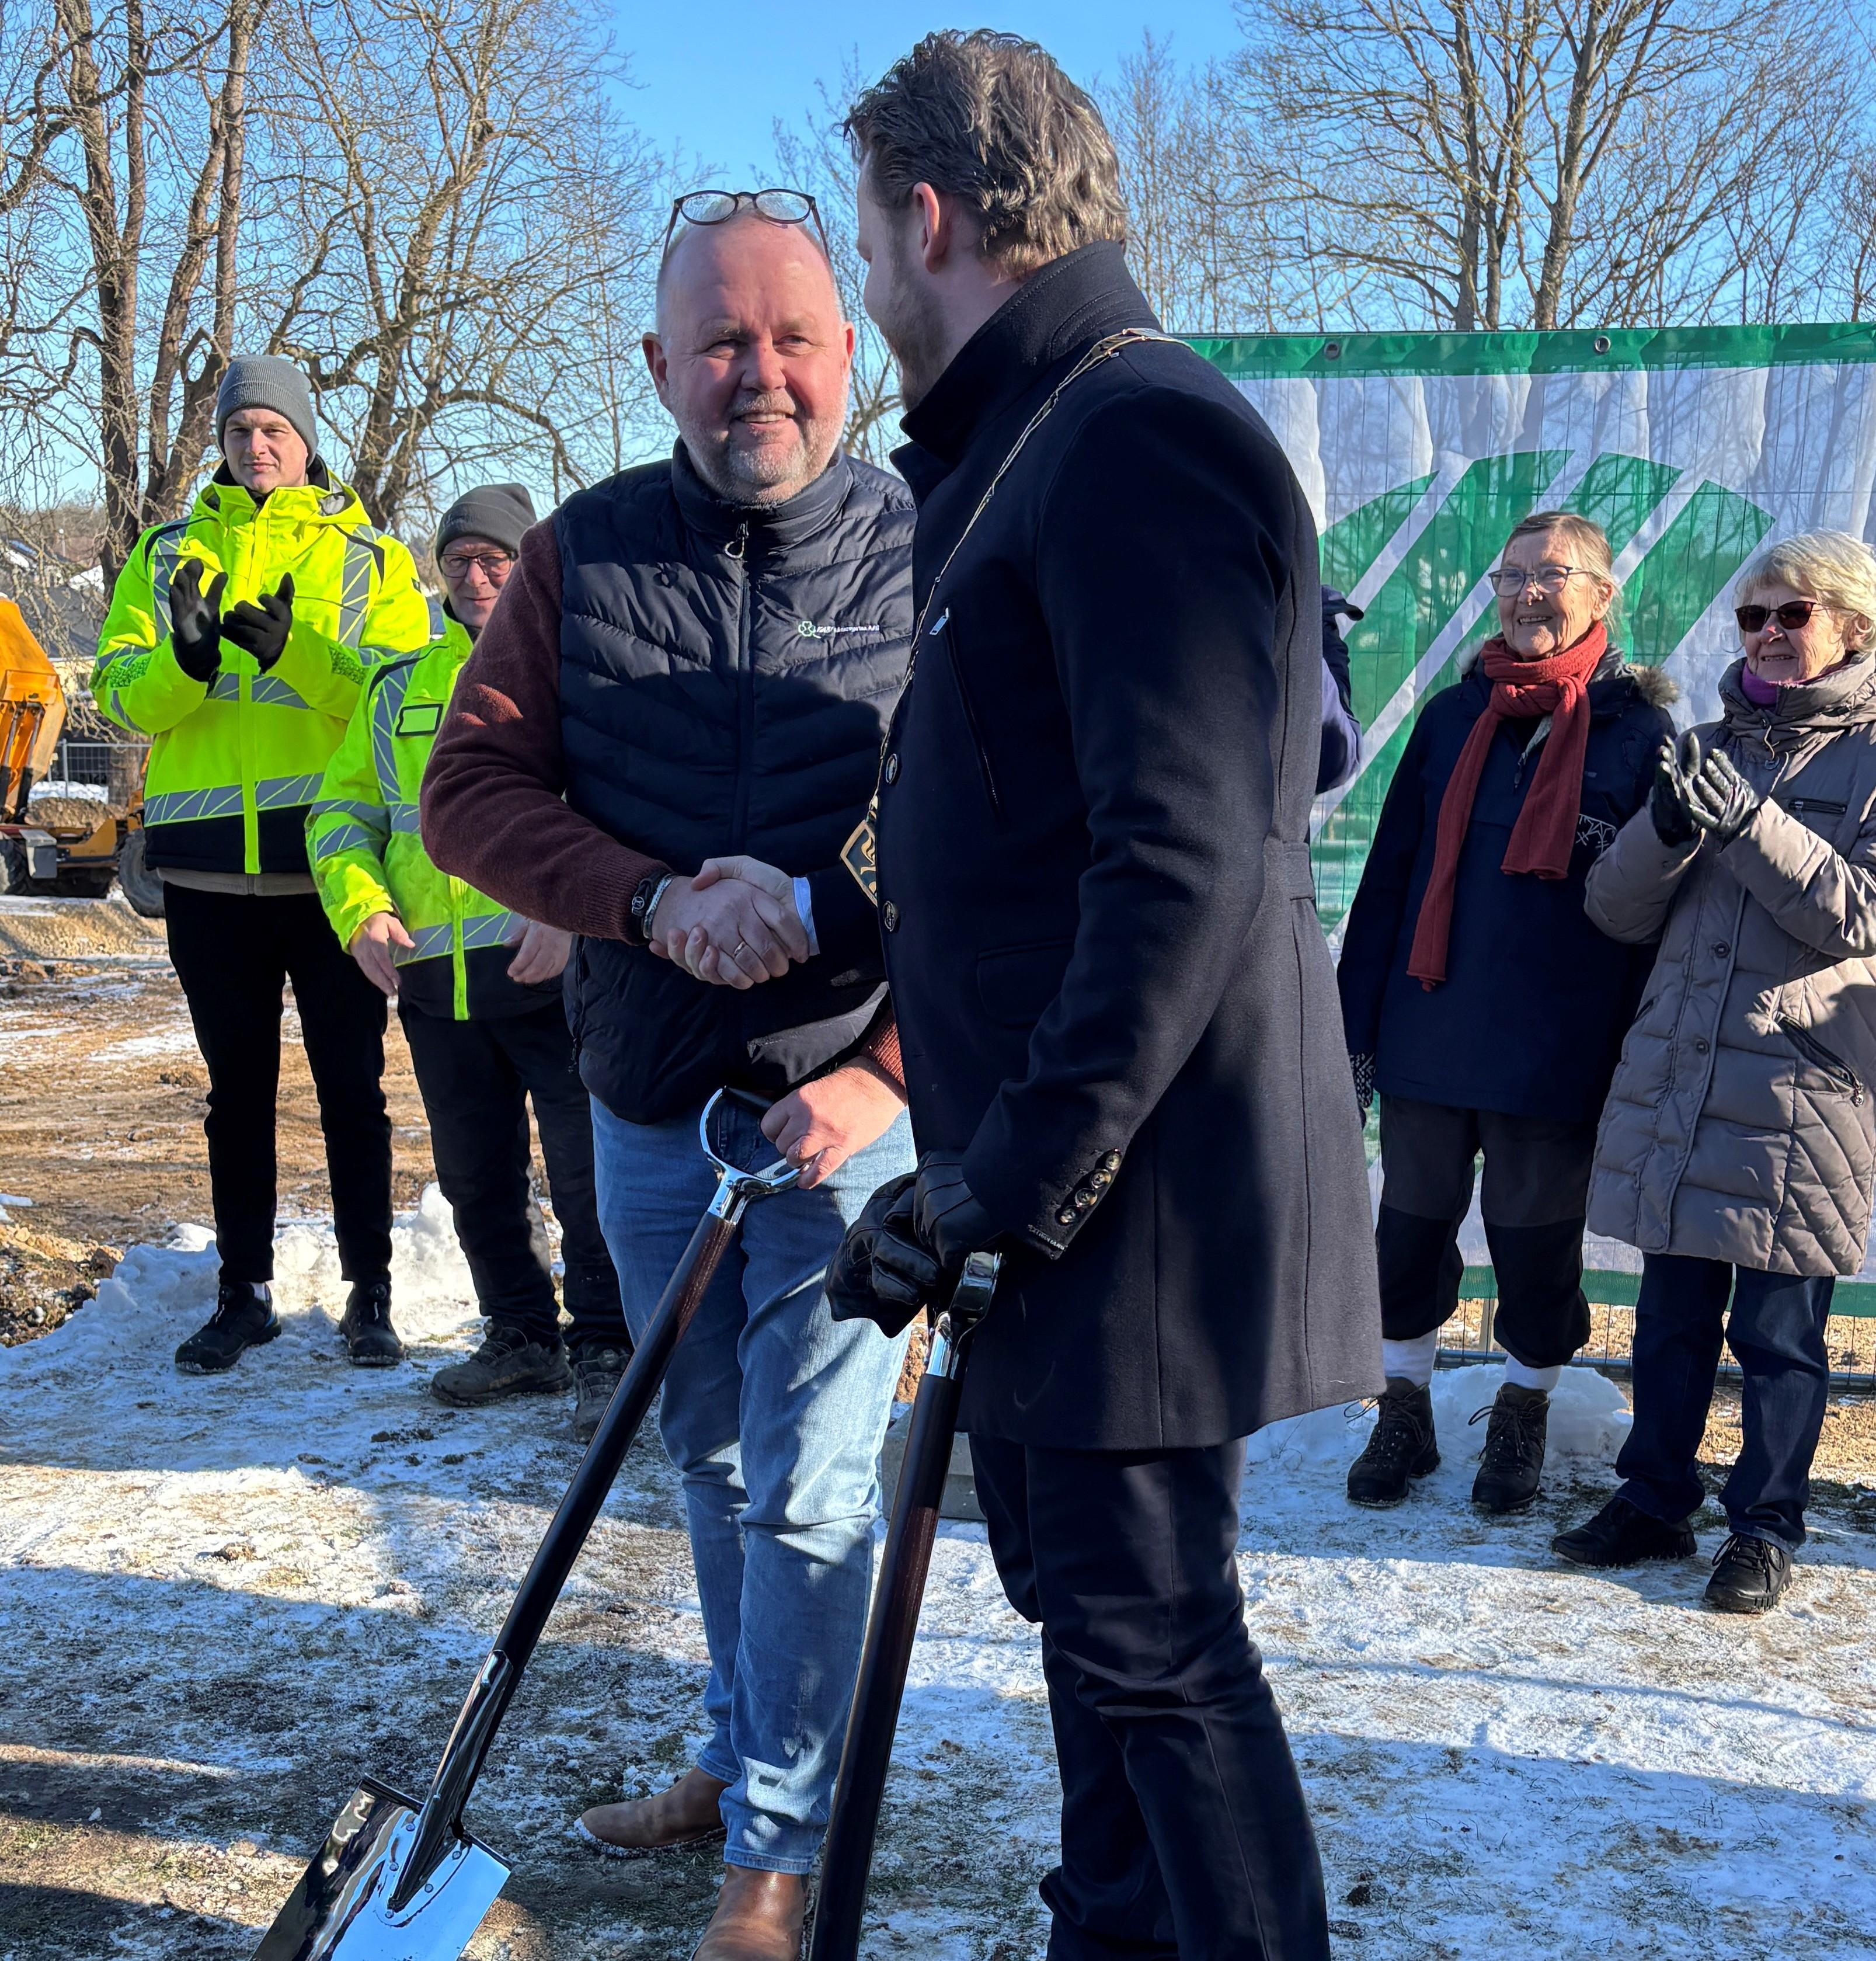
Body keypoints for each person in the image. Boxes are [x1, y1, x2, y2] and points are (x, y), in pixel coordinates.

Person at [823, 33, 1380, 1960]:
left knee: (1151, 1635)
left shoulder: (1137, 426)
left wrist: (1013, 1173)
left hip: (1138, 1181)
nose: (862, 291)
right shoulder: (1031, 442)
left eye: (864, 243)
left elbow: (1186, 851)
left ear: (929, 213)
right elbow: (1020, 821)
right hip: (1076, 1175)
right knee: (1096, 1617)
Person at [420, 194, 916, 1959]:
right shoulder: (579, 553)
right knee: (703, 1460)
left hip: (848, 1111)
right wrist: (640, 898)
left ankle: (776, 1851)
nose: (755, 375)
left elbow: (1012, 836)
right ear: (656, 364)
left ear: (846, 350)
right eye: (717, 342)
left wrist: (886, 1050)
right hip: (646, 1104)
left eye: (789, 337)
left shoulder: (939, 548)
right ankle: (737, 1745)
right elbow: (465, 797)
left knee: (805, 1484)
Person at [1554, 530, 1876, 1614]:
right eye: (1753, 617)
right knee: (1667, 1315)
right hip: (1685, 1076)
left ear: (1852, 626)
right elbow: (1612, 909)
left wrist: (1750, 822)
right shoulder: (1698, 745)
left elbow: (1862, 916)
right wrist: (1663, 823)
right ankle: (1652, 1499)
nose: (1771, 635)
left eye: (1794, 615)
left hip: (1802, 1087)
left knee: (1780, 1334)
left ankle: (1765, 1527)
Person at [93, 354, 430, 1374]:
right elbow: (114, 691)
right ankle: (244, 1293)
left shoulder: (370, 558)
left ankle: (370, 1293)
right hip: (203, 876)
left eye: (273, 429)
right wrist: (181, 666)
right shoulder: (164, 554)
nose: (255, 445)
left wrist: (296, 654)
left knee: (351, 1088)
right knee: (234, 1092)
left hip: (326, 874)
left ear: (305, 436)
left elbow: (399, 694)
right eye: (239, 429)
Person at [1334, 513, 1676, 1511]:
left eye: (1553, 575)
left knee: (1534, 1248)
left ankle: (1522, 1414)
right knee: (1405, 1234)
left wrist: (1635, 1052)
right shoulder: (1449, 718)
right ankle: (1403, 1410)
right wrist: (1357, 1029)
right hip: (1429, 1032)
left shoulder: (1641, 731)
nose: (1528, 592)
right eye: (1510, 574)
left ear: (1602, 596)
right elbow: (1389, 880)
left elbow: (1654, 913)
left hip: (1558, 1047)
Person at [308, 484, 631, 1437]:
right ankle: (521, 1334)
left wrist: (572, 911)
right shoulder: (395, 687)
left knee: (585, 1174)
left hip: (557, 974)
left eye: (497, 561)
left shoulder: (581, 665)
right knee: (476, 1175)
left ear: (529, 565)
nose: (478, 578)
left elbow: (616, 803)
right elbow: (340, 816)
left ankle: (605, 1344)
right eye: (459, 563)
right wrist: (361, 913)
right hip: (436, 986)